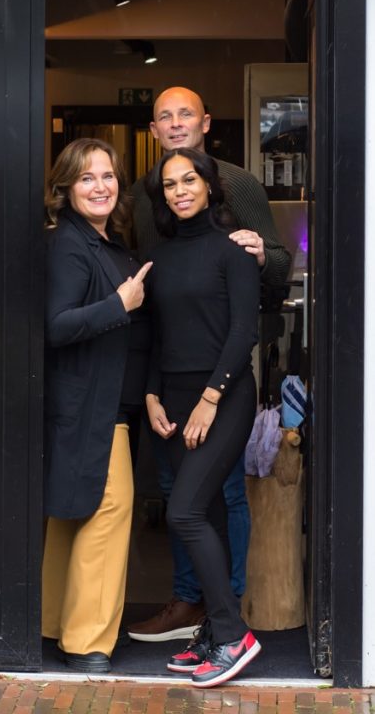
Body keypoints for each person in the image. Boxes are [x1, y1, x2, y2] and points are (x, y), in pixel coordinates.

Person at [128, 86, 291, 643]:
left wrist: (261, 254)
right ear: (153, 131)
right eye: (164, 117)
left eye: (185, 114)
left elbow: (265, 287)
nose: (175, 124)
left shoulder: (237, 194)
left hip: (218, 385)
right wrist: (151, 392)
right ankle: (194, 607)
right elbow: (154, 316)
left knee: (209, 501)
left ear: (205, 122)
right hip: (171, 386)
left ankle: (228, 614)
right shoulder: (146, 202)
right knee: (184, 498)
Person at [144, 148, 262, 687]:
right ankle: (214, 636)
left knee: (185, 511)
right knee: (206, 513)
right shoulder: (160, 257)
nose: (180, 190)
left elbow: (244, 335)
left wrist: (211, 398)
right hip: (173, 400)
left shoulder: (233, 252)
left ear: (209, 186)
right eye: (170, 184)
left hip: (224, 397)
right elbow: (154, 337)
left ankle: (232, 633)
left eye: (189, 180)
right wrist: (151, 396)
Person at [41, 138, 152, 673]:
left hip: (99, 401)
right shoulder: (70, 244)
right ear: (66, 188)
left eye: (107, 176)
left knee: (75, 514)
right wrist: (119, 304)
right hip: (92, 405)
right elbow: (58, 326)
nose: (100, 186)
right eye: (87, 178)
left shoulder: (106, 243)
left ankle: (54, 622)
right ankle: (87, 641)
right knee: (107, 511)